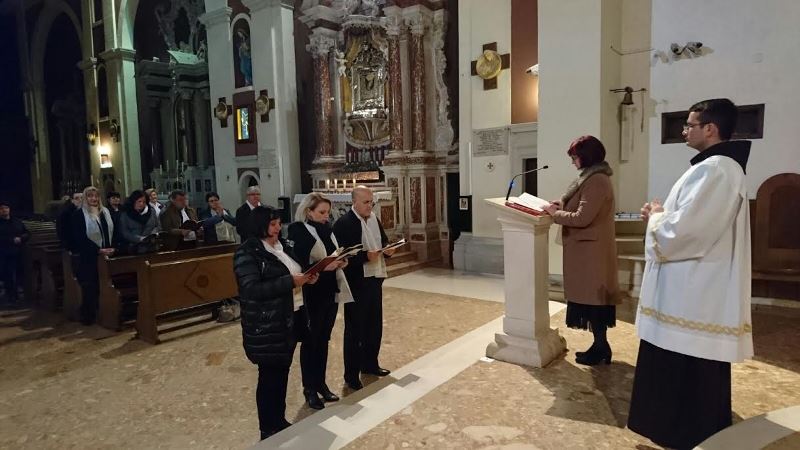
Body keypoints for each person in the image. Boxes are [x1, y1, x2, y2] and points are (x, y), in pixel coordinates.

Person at [627, 98, 753, 449]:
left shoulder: (716, 170)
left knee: (685, 367)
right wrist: (661, 216)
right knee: (688, 368)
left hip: (693, 292)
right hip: (694, 288)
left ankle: (682, 433)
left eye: (690, 124)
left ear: (710, 129)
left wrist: (656, 216)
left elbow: (685, 233)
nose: (684, 130)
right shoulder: (718, 168)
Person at [233, 206, 319, 440]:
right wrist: (290, 281)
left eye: (279, 223)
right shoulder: (247, 253)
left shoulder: (283, 247)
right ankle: (267, 426)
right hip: (267, 323)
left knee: (282, 372)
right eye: (272, 224)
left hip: (291, 315)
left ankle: (278, 420)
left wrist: (307, 277)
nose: (278, 228)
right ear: (259, 225)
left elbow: (294, 271)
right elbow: (251, 289)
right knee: (269, 375)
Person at [543, 135, 620, 366]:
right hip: (586, 251)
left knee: (594, 303)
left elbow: (582, 217)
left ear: (586, 156)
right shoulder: (589, 177)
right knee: (591, 302)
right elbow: (580, 206)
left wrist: (555, 214)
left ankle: (601, 348)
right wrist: (560, 204)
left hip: (591, 254)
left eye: (575, 156)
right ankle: (600, 347)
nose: (572, 161)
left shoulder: (597, 180)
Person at [288, 192, 352, 409]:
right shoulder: (298, 230)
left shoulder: (328, 230)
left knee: (323, 339)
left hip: (329, 290)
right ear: (309, 212)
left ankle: (321, 384)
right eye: (322, 212)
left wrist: (341, 261)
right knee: (311, 341)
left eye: (328, 212)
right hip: (312, 293)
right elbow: (299, 264)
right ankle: (309, 388)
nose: (326, 216)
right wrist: (325, 267)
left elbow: (334, 253)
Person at [333, 186, 396, 390]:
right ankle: (351, 375)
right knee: (355, 329)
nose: (370, 206)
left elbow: (383, 241)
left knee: (374, 324)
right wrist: (364, 257)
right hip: (356, 282)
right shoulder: (344, 223)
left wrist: (388, 250)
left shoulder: (375, 219)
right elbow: (342, 255)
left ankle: (370, 364)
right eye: (366, 202)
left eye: (371, 202)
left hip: (375, 278)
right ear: (354, 202)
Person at [68, 186, 115, 325]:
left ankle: (107, 312)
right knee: (91, 286)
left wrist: (112, 247)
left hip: (108, 254)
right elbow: (80, 238)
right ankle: (89, 315)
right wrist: (98, 250)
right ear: (85, 198)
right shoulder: (79, 215)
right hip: (89, 256)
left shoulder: (105, 212)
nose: (94, 199)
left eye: (96, 196)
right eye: (90, 196)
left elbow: (113, 230)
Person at [0, 200, 29, 304]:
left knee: (19, 273)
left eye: (6, 208)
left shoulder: (16, 221)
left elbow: (26, 232)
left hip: (19, 251)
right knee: (9, 275)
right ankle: (11, 296)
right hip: (5, 253)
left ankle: (19, 294)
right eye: (2, 208)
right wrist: (11, 240)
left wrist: (21, 238)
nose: (4, 210)